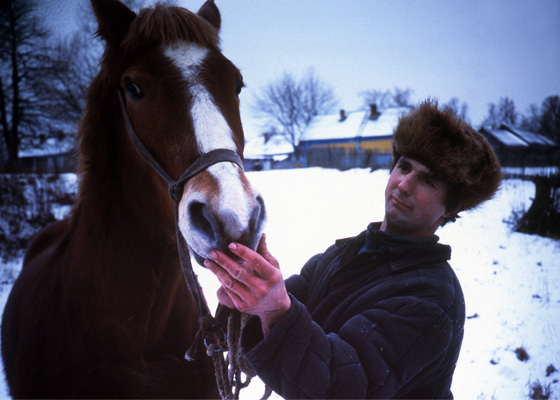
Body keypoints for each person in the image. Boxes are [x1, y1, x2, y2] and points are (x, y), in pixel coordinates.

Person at [205, 100, 502, 399]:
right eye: (404, 166)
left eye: (427, 180)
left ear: (451, 208)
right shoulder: (343, 254)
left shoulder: (431, 299)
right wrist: (251, 296)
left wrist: (276, 310)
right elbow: (290, 308)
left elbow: (345, 385)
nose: (403, 185)